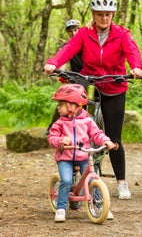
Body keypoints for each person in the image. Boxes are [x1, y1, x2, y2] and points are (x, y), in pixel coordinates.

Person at [44, 0, 142, 200]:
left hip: (113, 83)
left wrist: (136, 67)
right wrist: (54, 62)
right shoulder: (83, 33)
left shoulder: (122, 34)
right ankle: (71, 170)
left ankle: (121, 182)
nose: (104, 18)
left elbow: (132, 52)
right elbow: (68, 49)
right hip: (88, 81)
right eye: (100, 14)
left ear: (112, 15)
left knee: (114, 137)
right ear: (94, 15)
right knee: (72, 111)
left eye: (108, 14)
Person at [47, 84, 117, 222]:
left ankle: (101, 206)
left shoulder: (87, 121)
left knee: (93, 179)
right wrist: (61, 141)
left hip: (83, 155)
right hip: (65, 158)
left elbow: (97, 134)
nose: (58, 107)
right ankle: (61, 208)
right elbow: (51, 138)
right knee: (66, 180)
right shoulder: (59, 123)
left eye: (61, 104)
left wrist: (106, 141)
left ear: (72, 106)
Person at [46, 19, 83, 136]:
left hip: (92, 76)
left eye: (76, 30)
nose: (73, 33)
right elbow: (62, 58)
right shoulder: (67, 46)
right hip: (75, 77)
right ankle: (54, 126)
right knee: (63, 100)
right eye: (70, 31)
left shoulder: (87, 43)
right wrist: (60, 72)